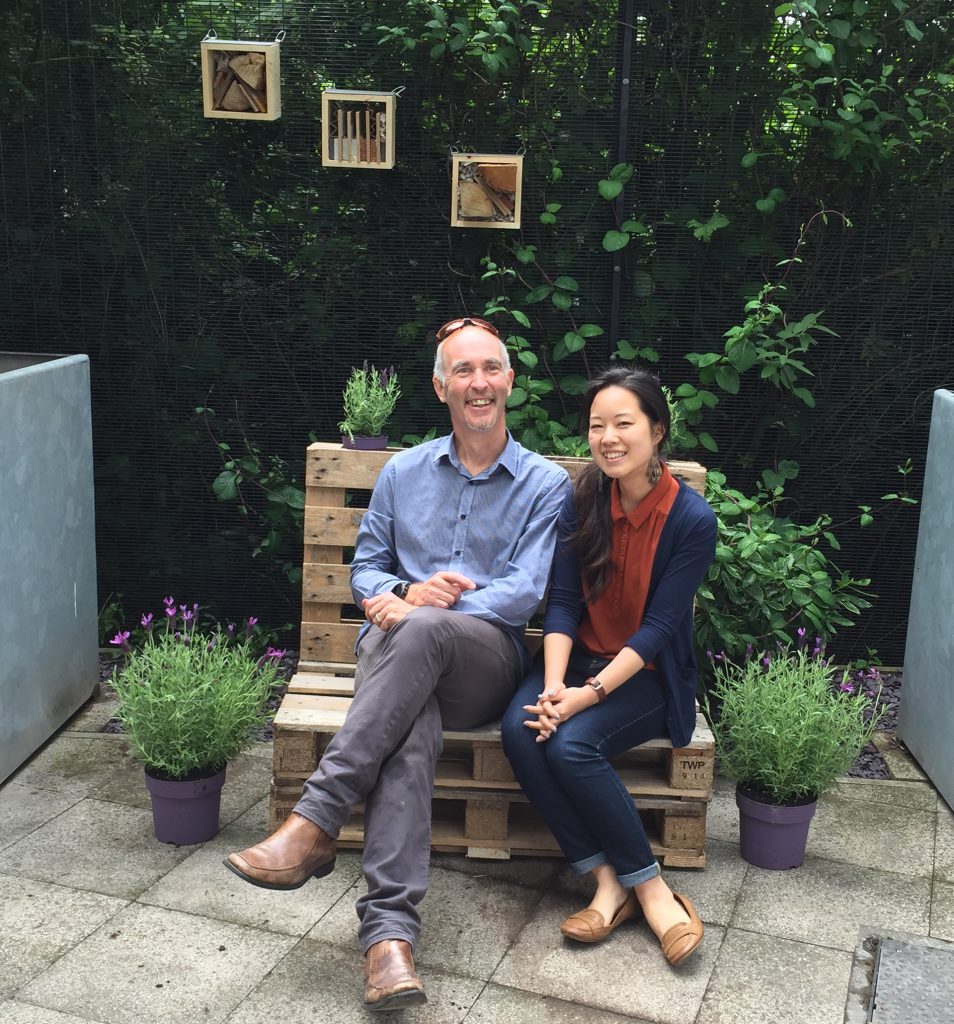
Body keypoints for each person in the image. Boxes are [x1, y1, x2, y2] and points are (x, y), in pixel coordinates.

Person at [225, 316, 570, 1011]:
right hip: (398, 663)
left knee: (427, 635)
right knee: (410, 729)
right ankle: (388, 943)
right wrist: (401, 595)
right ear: (441, 386)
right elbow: (369, 570)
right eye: (463, 372)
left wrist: (429, 611)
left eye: (490, 369)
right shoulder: (403, 472)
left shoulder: (544, 483)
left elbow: (525, 591)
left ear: (509, 380)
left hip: (483, 661)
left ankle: (315, 820)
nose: (478, 383)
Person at [501, 366, 717, 967]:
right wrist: (551, 688)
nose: (609, 437)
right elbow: (563, 603)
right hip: (577, 662)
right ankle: (605, 880)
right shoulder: (584, 499)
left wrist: (585, 696)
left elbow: (657, 632)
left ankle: (650, 888)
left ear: (657, 431)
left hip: (645, 678)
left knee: (571, 745)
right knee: (523, 728)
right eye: (598, 425)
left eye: (625, 423)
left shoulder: (692, 522)